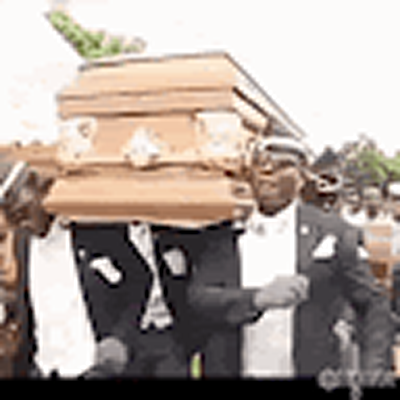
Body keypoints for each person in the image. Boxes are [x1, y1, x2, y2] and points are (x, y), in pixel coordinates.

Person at [186, 134, 394, 383]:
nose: (268, 174)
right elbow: (198, 298)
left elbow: (373, 304)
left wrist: (373, 370)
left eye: (281, 165)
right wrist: (257, 299)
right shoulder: (222, 234)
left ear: (303, 176)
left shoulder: (332, 232)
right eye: (261, 165)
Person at [0, 154, 194, 378]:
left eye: (25, 213)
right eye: (15, 219)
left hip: (93, 366)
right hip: (45, 367)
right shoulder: (23, 243)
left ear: (40, 198)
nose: (24, 224)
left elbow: (140, 277)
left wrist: (119, 338)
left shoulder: (91, 231)